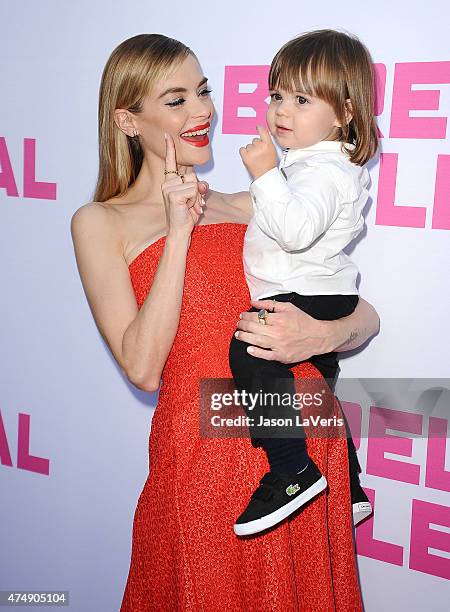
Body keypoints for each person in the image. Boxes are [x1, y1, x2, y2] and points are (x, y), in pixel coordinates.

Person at [70, 33, 379, 611]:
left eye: (203, 92)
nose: (203, 112)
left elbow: (362, 313)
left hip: (304, 443)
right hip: (205, 458)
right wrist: (179, 230)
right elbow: (142, 367)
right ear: (128, 120)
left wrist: (322, 335)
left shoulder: (256, 201)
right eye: (177, 99)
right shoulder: (99, 222)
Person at [229, 29, 376, 537]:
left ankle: (291, 468)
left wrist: (266, 175)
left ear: (345, 112)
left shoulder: (322, 171)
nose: (281, 111)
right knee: (316, 392)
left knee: (250, 351)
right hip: (324, 292)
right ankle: (351, 485)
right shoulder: (320, 164)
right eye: (276, 96)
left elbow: (294, 234)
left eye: (301, 98)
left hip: (305, 292)